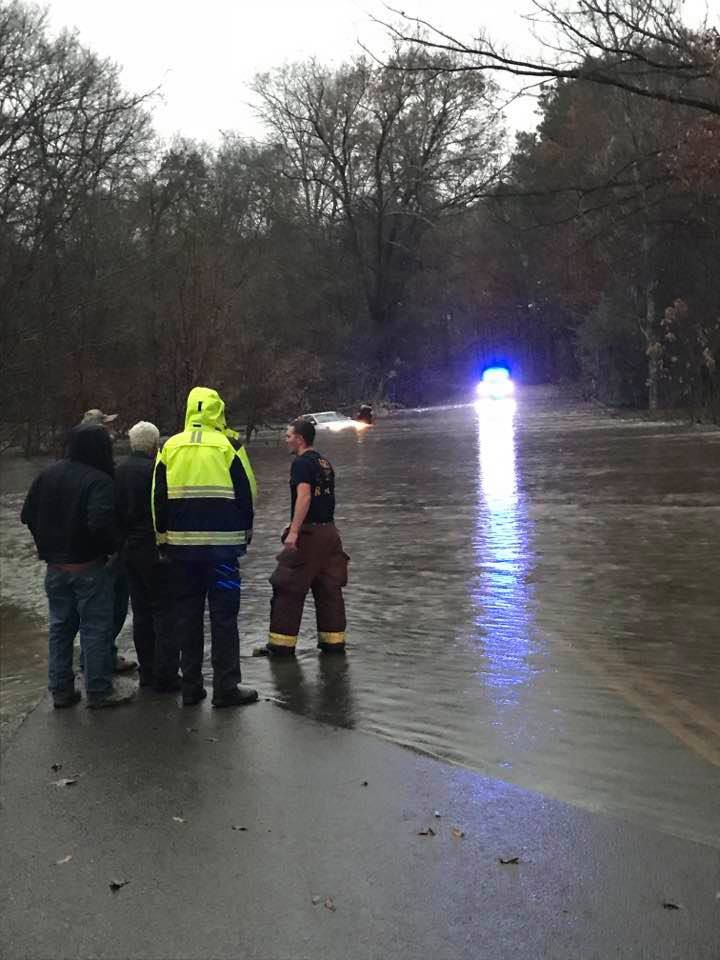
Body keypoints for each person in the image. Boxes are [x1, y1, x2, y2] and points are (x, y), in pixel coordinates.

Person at [152, 386, 258, 708]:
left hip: (181, 553)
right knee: (224, 618)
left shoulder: (169, 446)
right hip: (223, 553)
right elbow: (248, 494)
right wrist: (246, 535)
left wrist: (162, 540)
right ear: (218, 410)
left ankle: (191, 687)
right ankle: (226, 688)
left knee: (187, 617)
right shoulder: (229, 446)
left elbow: (157, 498)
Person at [20, 425, 134, 708]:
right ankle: (98, 690)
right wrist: (113, 548)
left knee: (60, 629)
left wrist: (46, 545)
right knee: (95, 629)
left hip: (55, 567)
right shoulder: (99, 480)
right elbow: (99, 524)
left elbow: (27, 515)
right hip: (89, 566)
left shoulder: (47, 474)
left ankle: (61, 690)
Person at [254, 417, 349, 658]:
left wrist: (294, 531)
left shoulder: (301, 464)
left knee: (287, 586)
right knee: (329, 589)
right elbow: (324, 499)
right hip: (330, 533)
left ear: (300, 439)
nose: (286, 440)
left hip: (309, 535)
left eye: (288, 436)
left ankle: (281, 646)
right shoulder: (324, 463)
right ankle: (333, 643)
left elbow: (304, 497)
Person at [115, 421, 180, 691]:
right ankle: (166, 675)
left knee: (140, 612)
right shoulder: (157, 470)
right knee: (164, 612)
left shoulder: (117, 471)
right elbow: (164, 508)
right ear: (155, 445)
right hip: (154, 549)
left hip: (128, 550)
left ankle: (147, 672)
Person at [77, 407, 135, 674]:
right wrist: (113, 547)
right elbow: (103, 517)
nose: (112, 432)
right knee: (112, 607)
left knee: (83, 613)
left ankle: (93, 658)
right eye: (107, 428)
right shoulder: (103, 473)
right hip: (105, 554)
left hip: (76, 555)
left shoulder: (68, 468)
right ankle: (100, 663)